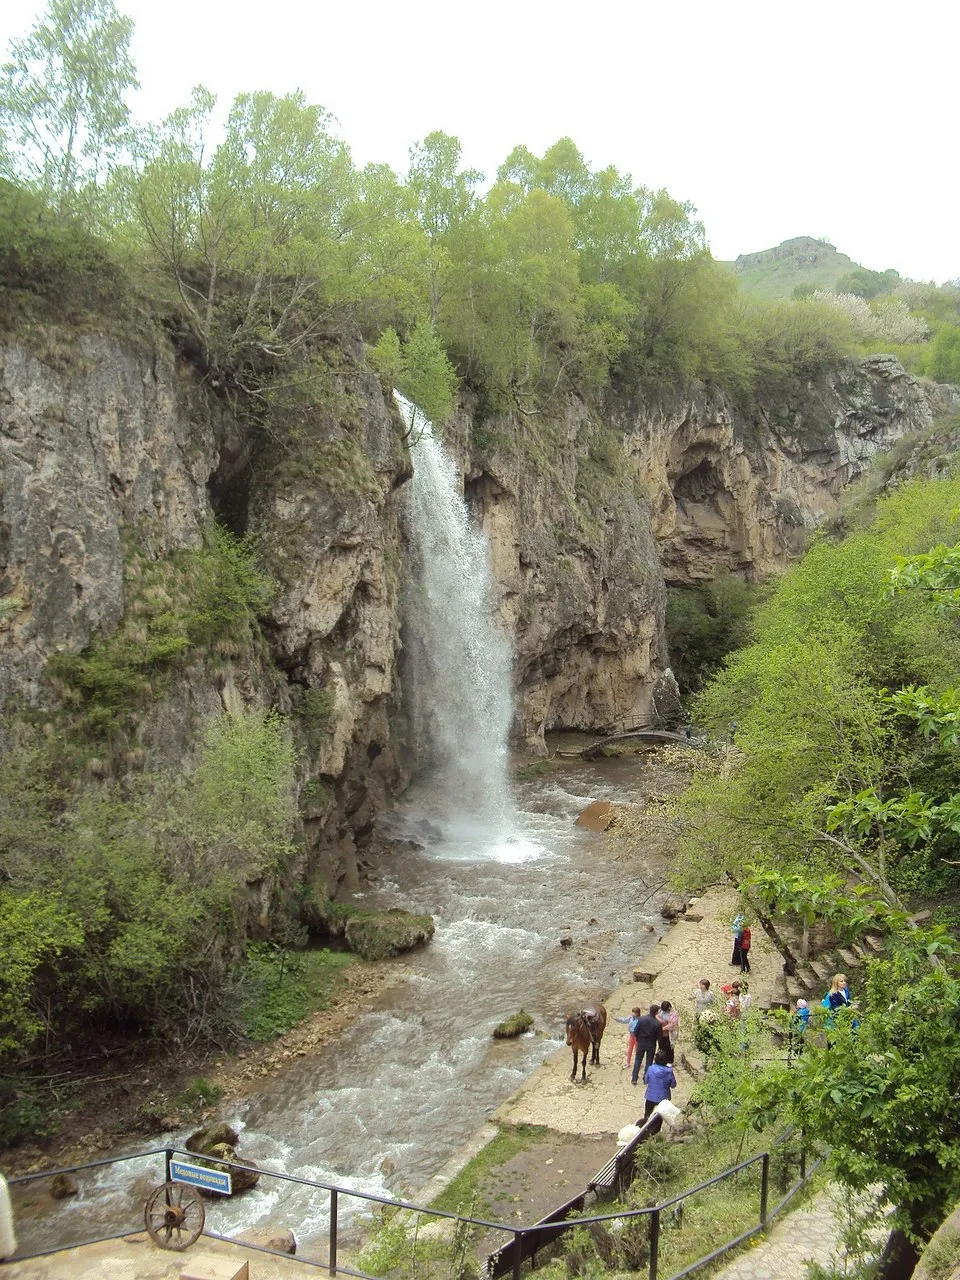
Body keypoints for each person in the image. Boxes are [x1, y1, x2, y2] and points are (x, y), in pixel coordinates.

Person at [631, 1005, 663, 1085]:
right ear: (656, 1012)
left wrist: (638, 1039)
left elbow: (635, 1031)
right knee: (649, 1062)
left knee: (638, 1060)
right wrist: (660, 1047)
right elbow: (660, 1037)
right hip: (651, 1044)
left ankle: (634, 1078)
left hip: (641, 1042)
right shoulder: (658, 1024)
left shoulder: (642, 1019)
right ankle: (646, 1078)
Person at [642, 1049, 677, 1121]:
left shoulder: (651, 1069)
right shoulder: (669, 1071)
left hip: (650, 1096)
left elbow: (645, 1081)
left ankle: (645, 1126)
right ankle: (657, 1129)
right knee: (660, 1116)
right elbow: (673, 1085)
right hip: (663, 1098)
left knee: (647, 1114)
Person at [657, 1000, 679, 1064]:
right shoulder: (661, 1011)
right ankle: (662, 1059)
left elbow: (672, 1024)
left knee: (669, 1047)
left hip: (670, 1033)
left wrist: (663, 1028)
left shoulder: (674, 1014)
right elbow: (657, 1016)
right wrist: (661, 1021)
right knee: (661, 1046)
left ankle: (670, 1061)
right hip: (662, 1033)